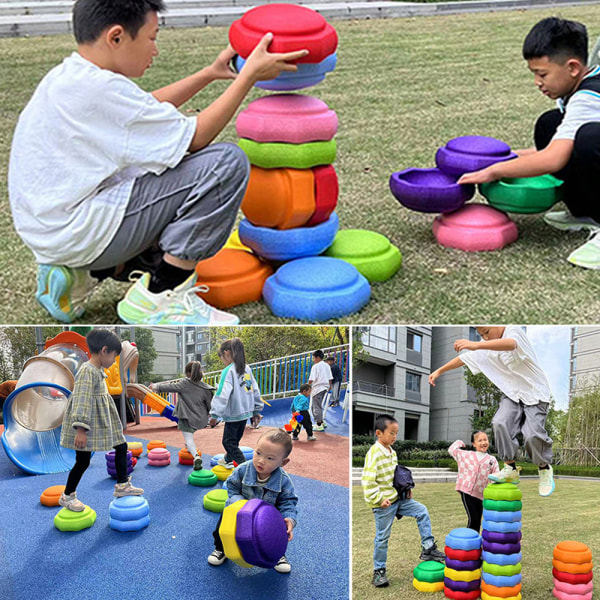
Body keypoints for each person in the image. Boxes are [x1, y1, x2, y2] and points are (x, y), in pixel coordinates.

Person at [8, 0, 309, 324]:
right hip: (81, 230)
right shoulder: (99, 88)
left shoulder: (71, 75)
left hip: (54, 232)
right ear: (117, 37)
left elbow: (144, 108)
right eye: (152, 37)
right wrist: (248, 76)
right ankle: (162, 295)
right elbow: (196, 138)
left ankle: (84, 272)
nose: (155, 49)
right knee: (224, 164)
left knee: (152, 171)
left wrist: (209, 74)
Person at [458, 17, 600, 269]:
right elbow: (558, 147)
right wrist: (504, 156)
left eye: (542, 74)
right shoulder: (577, 90)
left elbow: (552, 159)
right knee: (551, 123)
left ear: (573, 67)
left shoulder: (590, 96)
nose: (537, 82)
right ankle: (585, 213)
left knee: (590, 138)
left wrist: (494, 171)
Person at [429, 326, 555, 497]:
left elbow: (511, 344)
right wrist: (439, 371)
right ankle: (510, 468)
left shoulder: (513, 331)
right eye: (481, 335)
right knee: (499, 422)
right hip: (512, 393)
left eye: (487, 332)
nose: (485, 338)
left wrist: (475, 345)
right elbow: (464, 359)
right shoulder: (484, 346)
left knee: (531, 434)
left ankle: (544, 468)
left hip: (535, 393)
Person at [59, 328, 143, 511]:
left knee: (121, 446)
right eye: (114, 356)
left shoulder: (97, 370)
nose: (114, 361)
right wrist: (80, 430)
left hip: (102, 423)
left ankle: (122, 485)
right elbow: (82, 399)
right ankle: (67, 495)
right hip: (87, 425)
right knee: (82, 461)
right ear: (104, 350)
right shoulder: (87, 371)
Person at [362, 414, 445, 588]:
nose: (394, 437)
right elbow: (368, 481)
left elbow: (396, 476)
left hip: (398, 498)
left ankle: (428, 548)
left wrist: (406, 489)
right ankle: (379, 571)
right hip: (384, 504)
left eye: (396, 433)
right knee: (382, 537)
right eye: (391, 433)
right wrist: (379, 499)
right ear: (379, 433)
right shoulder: (374, 453)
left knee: (421, 511)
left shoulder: (392, 452)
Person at [207, 429, 298, 573]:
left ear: (283, 462)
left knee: (277, 532)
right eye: (258, 453)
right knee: (221, 529)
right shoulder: (242, 470)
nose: (261, 460)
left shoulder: (284, 481)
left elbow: (288, 502)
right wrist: (242, 505)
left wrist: (289, 519)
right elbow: (232, 488)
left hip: (266, 519)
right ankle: (220, 548)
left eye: (270, 458)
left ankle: (278, 554)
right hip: (237, 511)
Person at [209, 338, 263, 468]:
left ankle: (246, 468)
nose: (223, 361)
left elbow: (222, 394)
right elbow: (254, 389)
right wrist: (256, 410)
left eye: (222, 357)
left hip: (234, 414)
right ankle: (228, 459)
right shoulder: (247, 369)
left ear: (227, 353)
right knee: (234, 441)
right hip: (245, 413)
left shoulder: (228, 371)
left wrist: (214, 415)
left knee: (228, 442)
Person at [149, 360, 213, 470]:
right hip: (201, 420)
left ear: (188, 373)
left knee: (189, 439)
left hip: (187, 418)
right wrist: (209, 416)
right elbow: (210, 405)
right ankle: (189, 448)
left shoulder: (185, 383)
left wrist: (155, 386)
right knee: (190, 437)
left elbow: (170, 387)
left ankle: (195, 456)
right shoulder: (206, 388)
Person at [448, 432, 499, 532]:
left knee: (477, 521)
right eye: (480, 440)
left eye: (485, 440)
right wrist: (460, 442)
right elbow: (452, 450)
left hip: (481, 495)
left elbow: (496, 476)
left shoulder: (492, 460)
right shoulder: (466, 455)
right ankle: (468, 544)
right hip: (466, 492)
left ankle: (474, 544)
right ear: (474, 444)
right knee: (473, 519)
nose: (483, 442)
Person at [308, 350, 332, 432]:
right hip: (325, 387)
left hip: (318, 388)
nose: (313, 360)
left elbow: (311, 379)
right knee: (317, 405)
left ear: (318, 358)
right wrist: (330, 386)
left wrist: (307, 386)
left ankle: (319, 424)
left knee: (316, 406)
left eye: (314, 358)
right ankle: (321, 420)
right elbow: (330, 378)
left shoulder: (316, 366)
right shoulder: (327, 366)